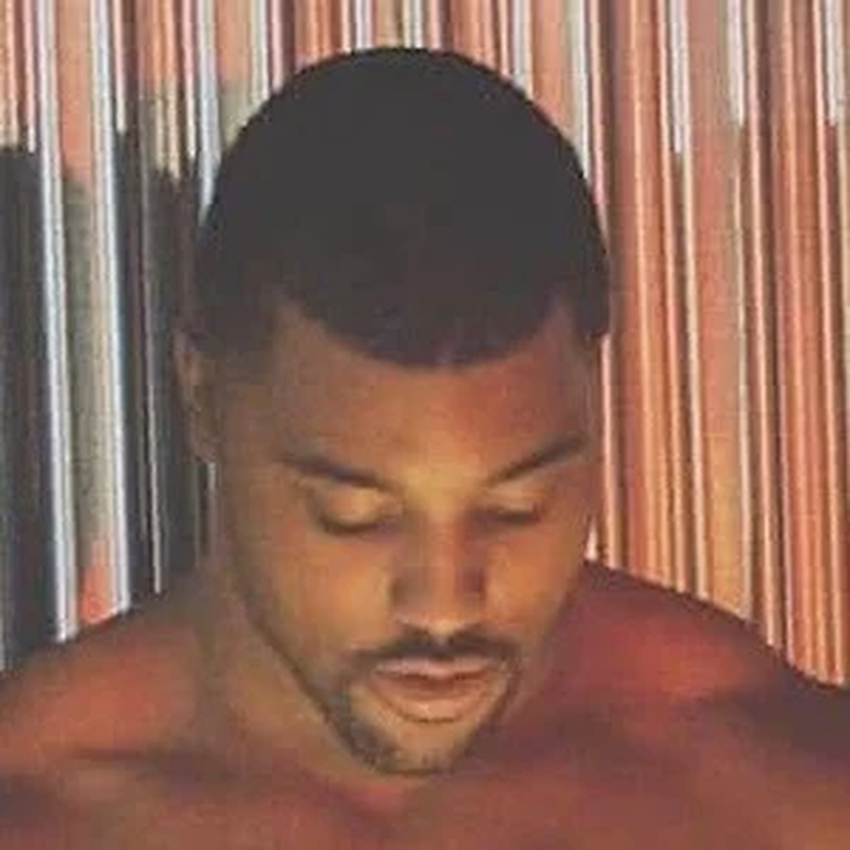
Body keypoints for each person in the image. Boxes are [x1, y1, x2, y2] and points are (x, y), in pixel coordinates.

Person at [1, 47, 848, 848]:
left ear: (593, 395)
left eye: (517, 507)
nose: (445, 607)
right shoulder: (38, 808)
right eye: (354, 514)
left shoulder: (783, 788)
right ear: (203, 400)